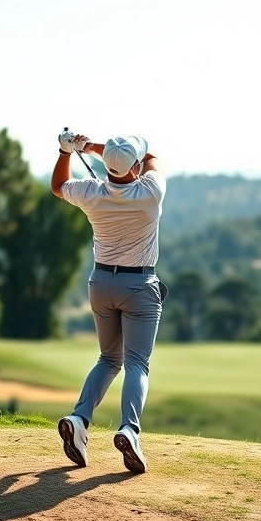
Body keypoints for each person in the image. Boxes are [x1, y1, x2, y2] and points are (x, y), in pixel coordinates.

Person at [48, 129, 167, 473]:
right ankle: (129, 429)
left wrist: (67, 150)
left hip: (101, 283)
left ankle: (79, 417)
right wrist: (95, 148)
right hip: (139, 285)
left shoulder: (91, 192)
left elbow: (58, 186)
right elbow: (151, 159)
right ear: (133, 168)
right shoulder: (150, 191)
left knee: (108, 359)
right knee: (137, 363)